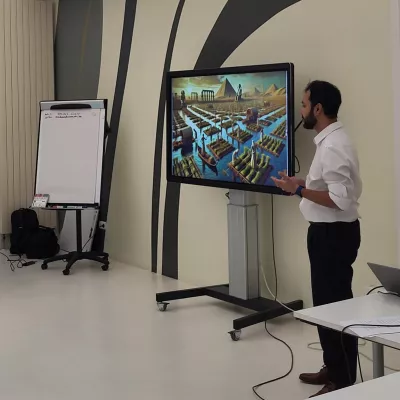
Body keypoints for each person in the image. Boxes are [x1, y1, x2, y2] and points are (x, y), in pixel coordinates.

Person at [272, 81, 362, 397]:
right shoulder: (330, 141)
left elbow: (338, 199)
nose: (301, 111)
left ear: (318, 109)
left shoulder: (333, 145)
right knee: (327, 306)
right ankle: (333, 367)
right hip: (328, 234)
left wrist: (298, 190)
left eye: (304, 104)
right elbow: (327, 187)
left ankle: (342, 380)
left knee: (335, 308)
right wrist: (301, 183)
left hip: (332, 236)